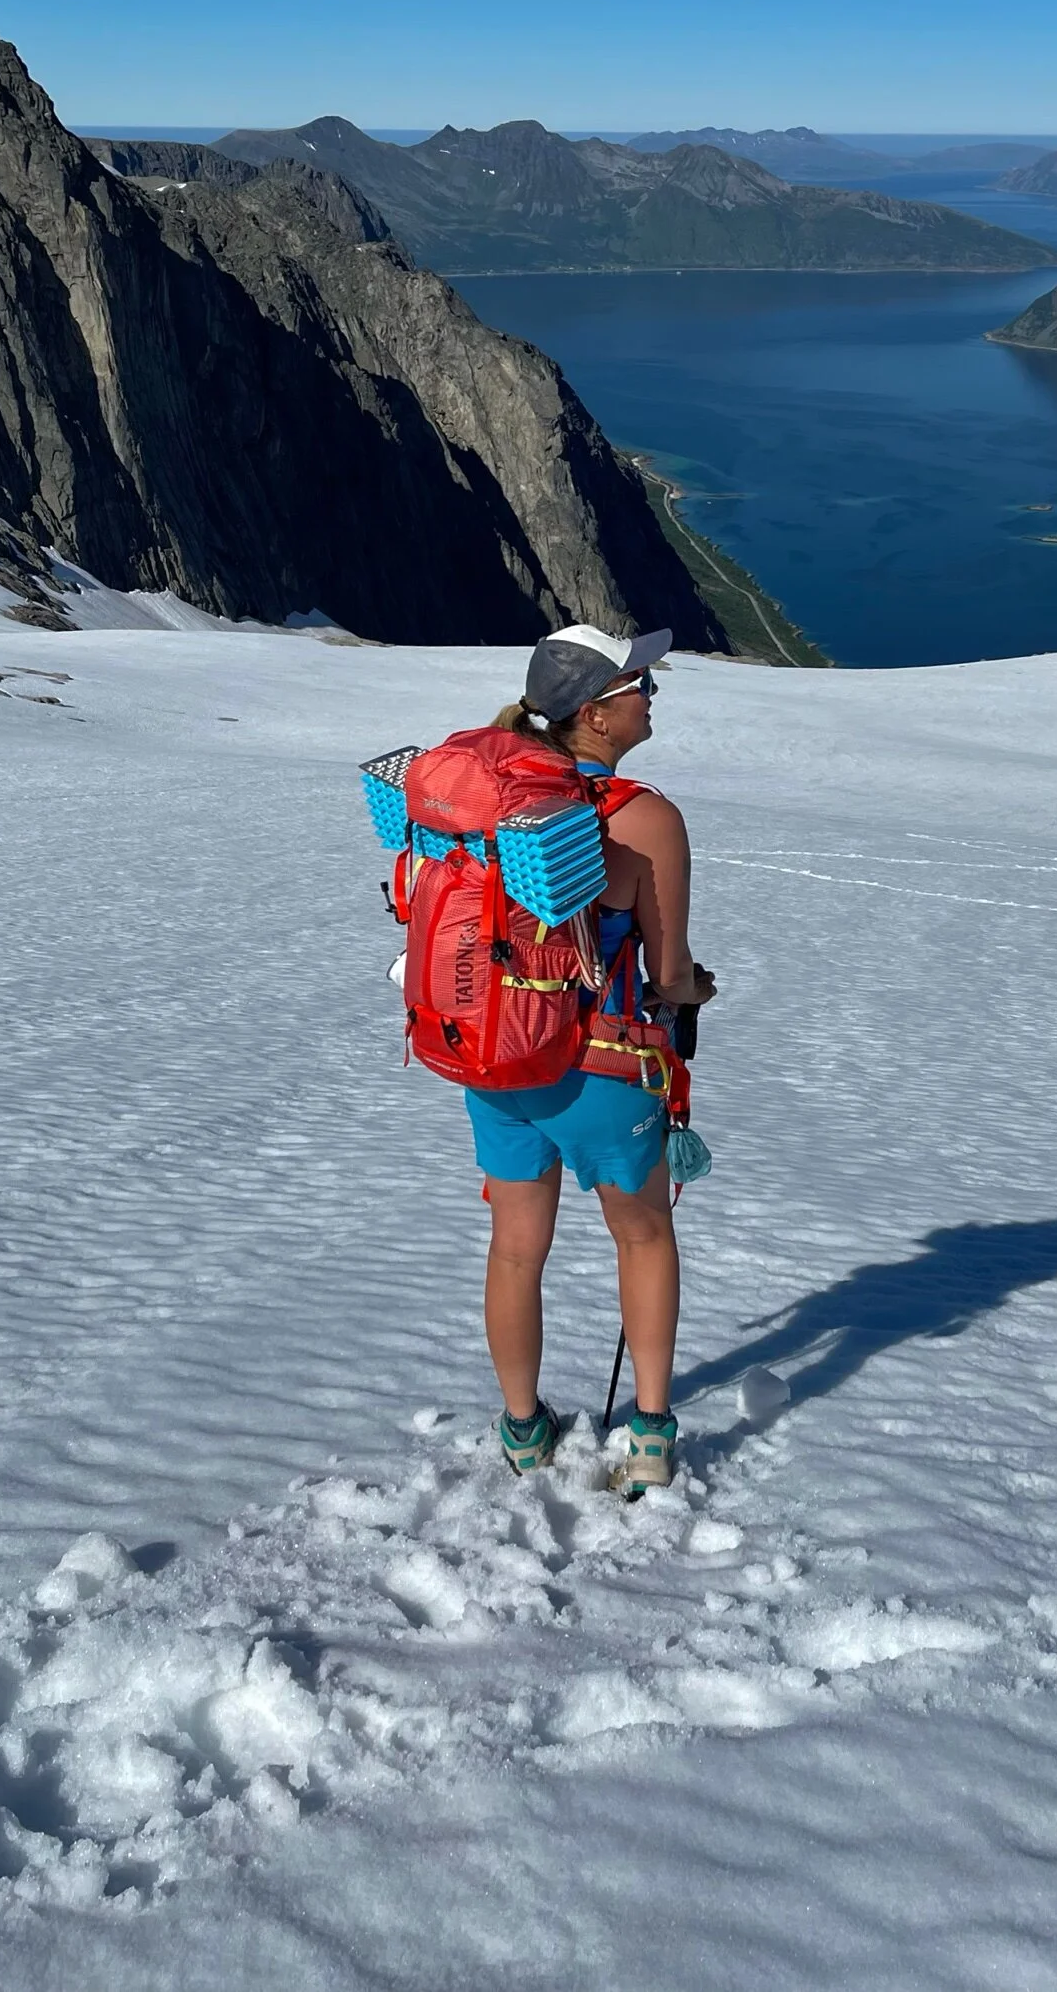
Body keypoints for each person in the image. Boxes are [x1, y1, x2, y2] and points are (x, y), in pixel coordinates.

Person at [468, 624, 715, 1494]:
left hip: (493, 1060)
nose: (650, 696)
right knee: (644, 1236)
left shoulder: (487, 797)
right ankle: (647, 1431)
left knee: (513, 1249)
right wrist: (690, 995)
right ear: (596, 715)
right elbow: (668, 970)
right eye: (637, 685)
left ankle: (523, 1428)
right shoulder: (641, 816)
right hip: (602, 1067)